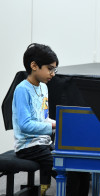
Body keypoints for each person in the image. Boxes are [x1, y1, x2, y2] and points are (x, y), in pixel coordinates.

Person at [12, 43, 58, 196]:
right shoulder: (22, 90)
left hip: (42, 142)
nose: (53, 74)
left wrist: (59, 123)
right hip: (27, 145)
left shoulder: (43, 87)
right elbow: (25, 125)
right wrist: (53, 126)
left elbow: (43, 118)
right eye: (50, 69)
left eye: (54, 70)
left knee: (66, 158)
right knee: (55, 163)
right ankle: (43, 191)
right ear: (34, 65)